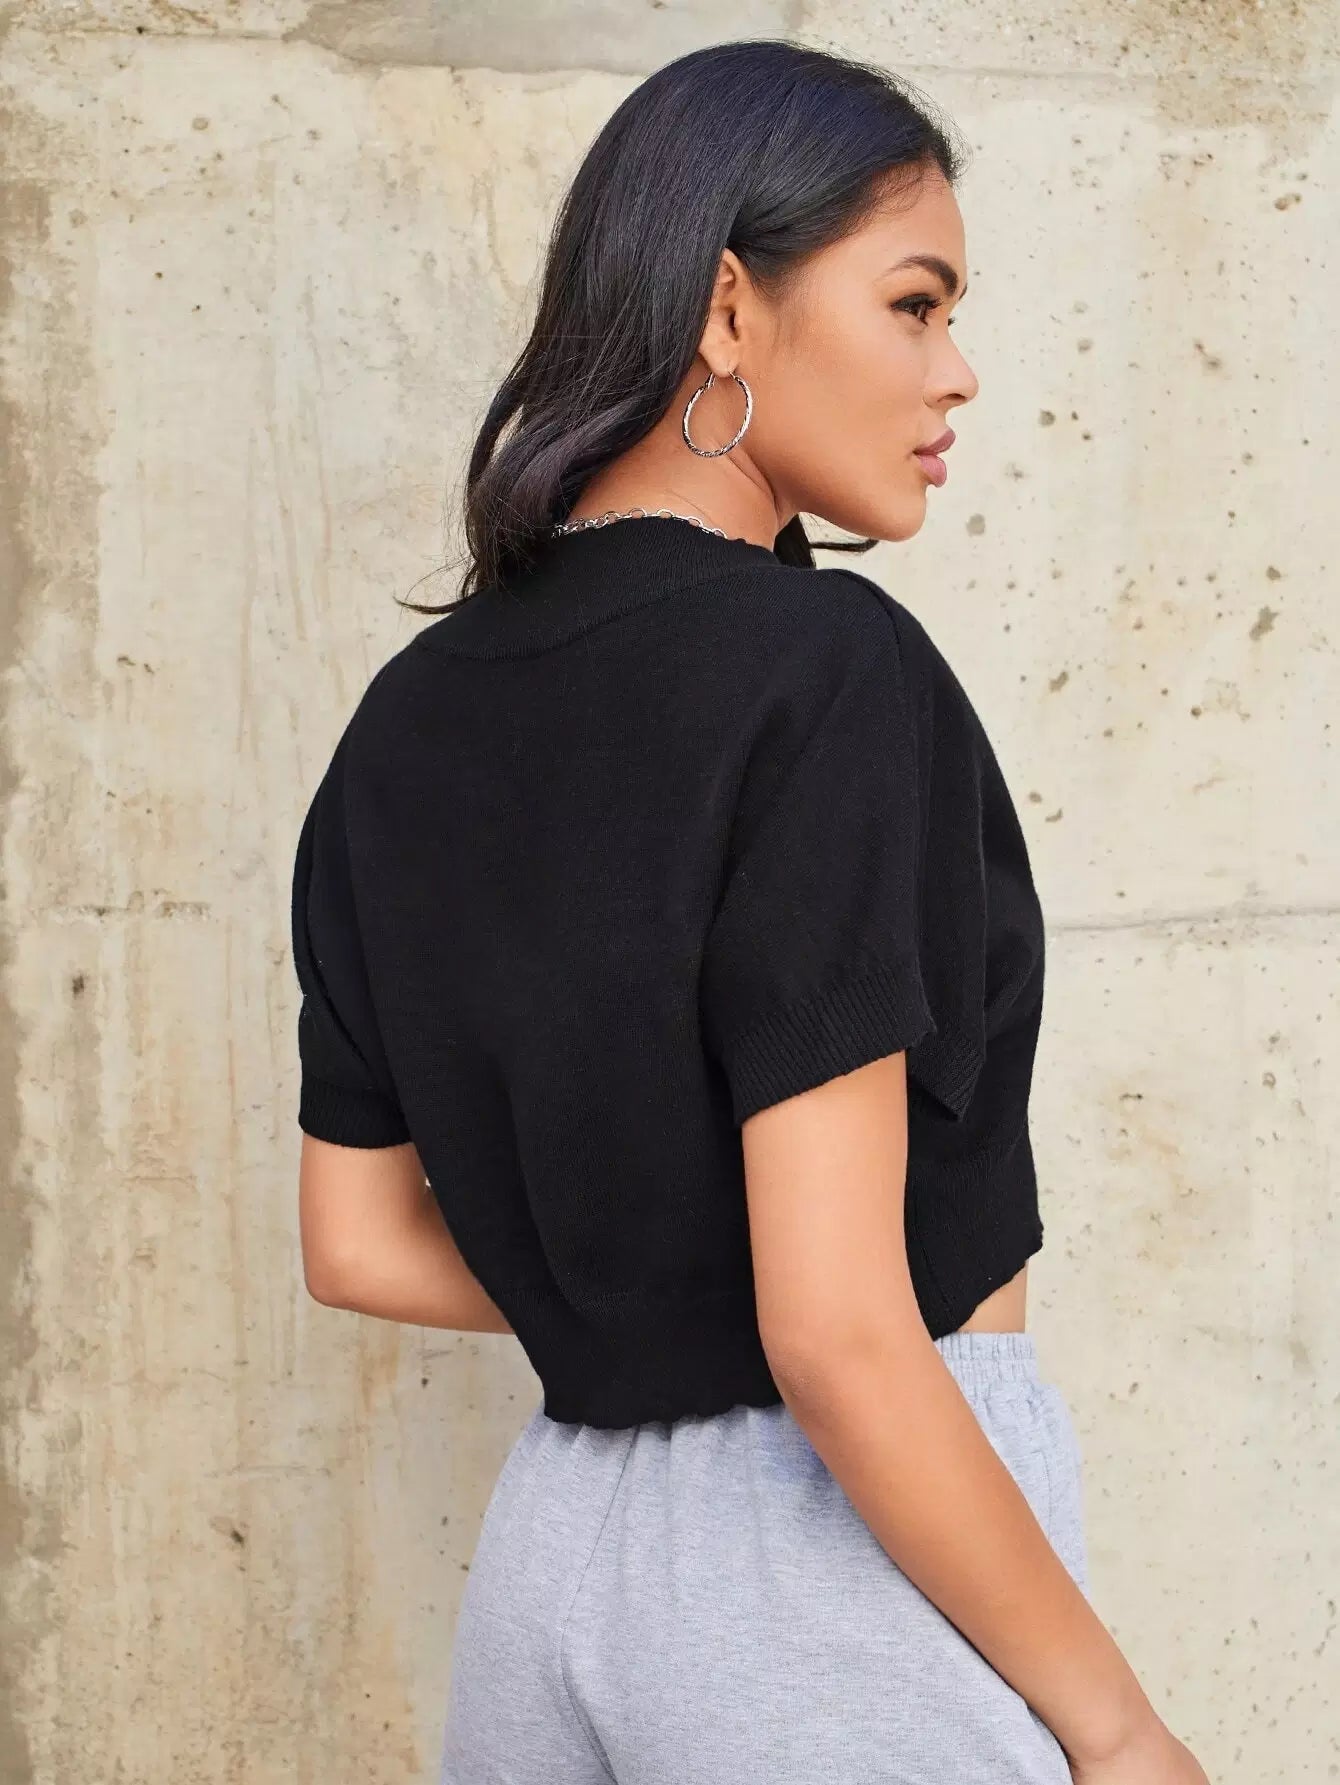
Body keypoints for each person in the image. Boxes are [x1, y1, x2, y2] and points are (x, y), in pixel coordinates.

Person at [289, 37, 1211, 1785]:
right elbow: (839, 1332)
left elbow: (357, 1242)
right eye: (914, 304)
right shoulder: (824, 671)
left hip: (549, 1567)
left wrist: (629, 1305)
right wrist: (1118, 1728)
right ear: (728, 308)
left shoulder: (404, 718)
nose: (957, 371)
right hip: (825, 1577)